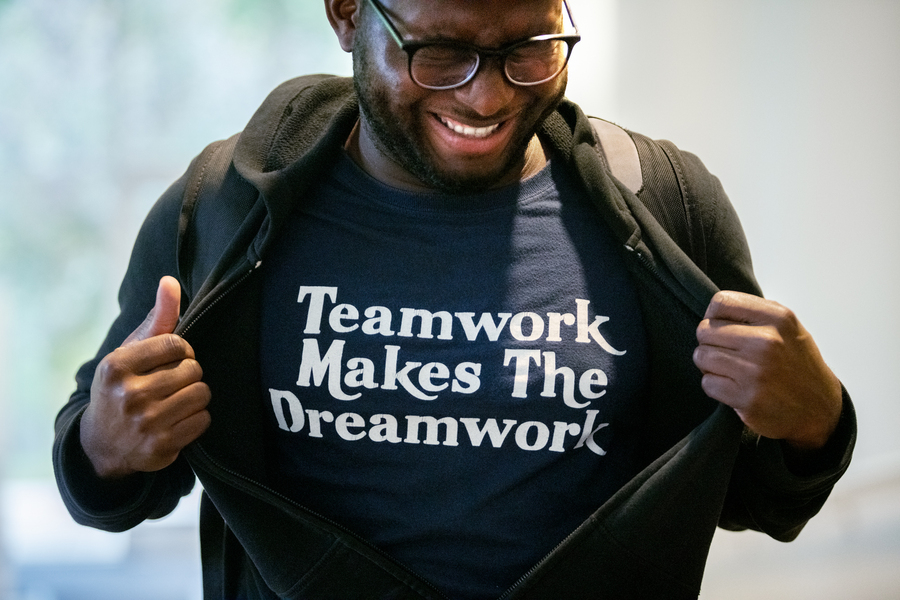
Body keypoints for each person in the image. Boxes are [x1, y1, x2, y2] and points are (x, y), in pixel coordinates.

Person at [53, 0, 855, 598]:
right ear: (345, 16)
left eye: (530, 48)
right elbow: (109, 495)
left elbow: (755, 500)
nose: (487, 98)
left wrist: (815, 423)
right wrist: (106, 445)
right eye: (440, 54)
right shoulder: (221, 209)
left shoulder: (669, 205)